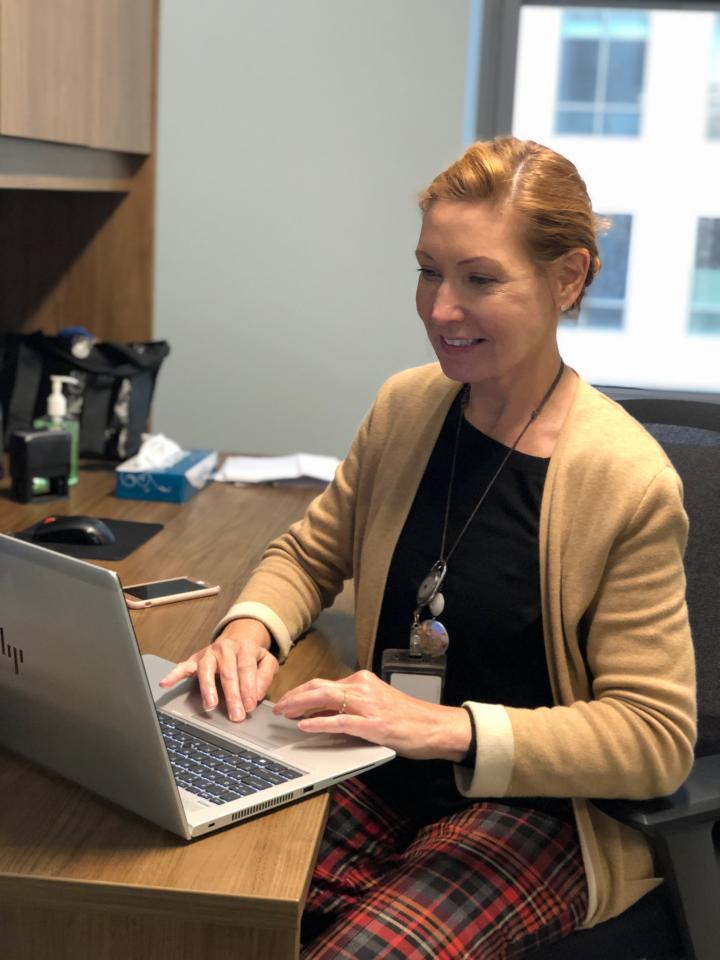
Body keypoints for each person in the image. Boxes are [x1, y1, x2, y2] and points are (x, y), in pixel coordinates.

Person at [161, 137, 696, 959]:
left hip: (532, 810)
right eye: (427, 271)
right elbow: (308, 555)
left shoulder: (626, 481)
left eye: (479, 279)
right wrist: (250, 631)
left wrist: (447, 729)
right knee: (188, 899)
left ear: (568, 278)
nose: (440, 309)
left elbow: (653, 739)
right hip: (373, 768)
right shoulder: (407, 407)